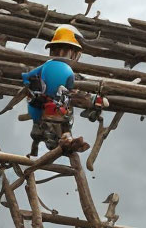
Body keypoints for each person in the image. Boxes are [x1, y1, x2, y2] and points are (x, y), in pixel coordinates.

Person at [20, 25, 99, 155]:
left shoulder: (68, 73)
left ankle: (64, 142)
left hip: (61, 114)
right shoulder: (46, 70)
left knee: (62, 127)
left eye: (64, 51)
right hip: (47, 114)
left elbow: (75, 90)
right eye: (57, 51)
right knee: (48, 131)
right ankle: (52, 143)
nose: (60, 54)